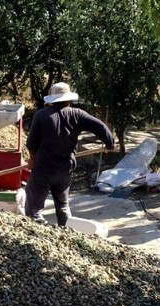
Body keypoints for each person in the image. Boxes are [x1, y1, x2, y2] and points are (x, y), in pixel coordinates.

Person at [24, 82, 115, 227]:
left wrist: (32, 159)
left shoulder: (41, 115)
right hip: (65, 169)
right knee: (63, 206)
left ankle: (37, 232)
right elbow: (100, 126)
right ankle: (66, 232)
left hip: (43, 169)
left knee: (34, 210)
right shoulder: (77, 114)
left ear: (52, 100)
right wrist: (109, 143)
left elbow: (31, 143)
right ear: (69, 100)